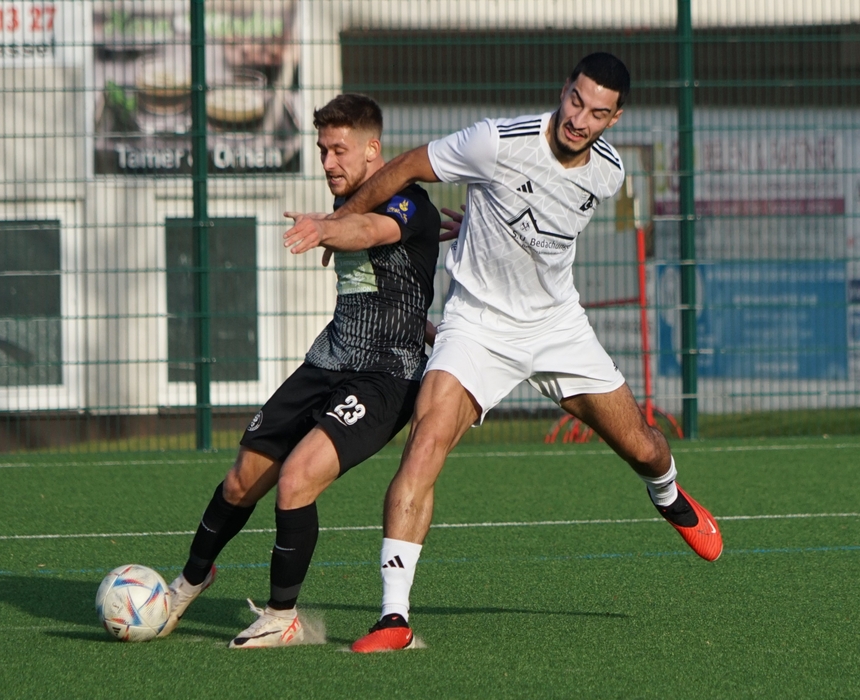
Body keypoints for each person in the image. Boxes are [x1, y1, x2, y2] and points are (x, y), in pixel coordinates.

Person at [307, 53, 723, 652]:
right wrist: (339, 220)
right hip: (476, 326)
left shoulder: (609, 173)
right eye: (576, 100)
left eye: (597, 112)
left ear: (615, 119)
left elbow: (548, 220)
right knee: (425, 441)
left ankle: (670, 497)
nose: (579, 118)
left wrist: (488, 225)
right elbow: (405, 166)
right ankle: (393, 617)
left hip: (557, 328)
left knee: (645, 447)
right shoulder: (495, 142)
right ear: (564, 89)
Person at [157, 93, 442, 648]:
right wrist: (332, 221)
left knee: (295, 480)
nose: (328, 162)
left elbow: (371, 232)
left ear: (372, 149)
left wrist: (327, 228)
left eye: (340, 150)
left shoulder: (410, 203)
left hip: (385, 377)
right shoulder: (343, 202)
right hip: (326, 361)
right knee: (241, 480)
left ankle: (281, 616)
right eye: (322, 150)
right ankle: (186, 585)